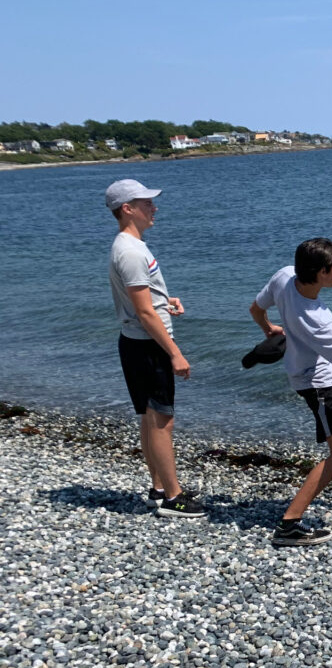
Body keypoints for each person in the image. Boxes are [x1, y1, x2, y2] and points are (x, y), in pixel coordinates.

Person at [250, 237, 332, 547]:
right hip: (316, 383)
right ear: (321, 273)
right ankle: (290, 524)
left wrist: (269, 329)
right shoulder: (318, 320)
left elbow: (255, 309)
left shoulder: (285, 275)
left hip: (330, 372)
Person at [106, 179, 207, 518]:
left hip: (134, 342)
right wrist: (174, 352)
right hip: (149, 346)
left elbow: (146, 301)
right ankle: (173, 499)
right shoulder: (132, 251)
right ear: (127, 209)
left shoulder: (127, 246)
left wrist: (166, 299)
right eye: (146, 202)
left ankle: (158, 488)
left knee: (149, 418)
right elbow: (144, 311)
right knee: (162, 420)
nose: (154, 208)